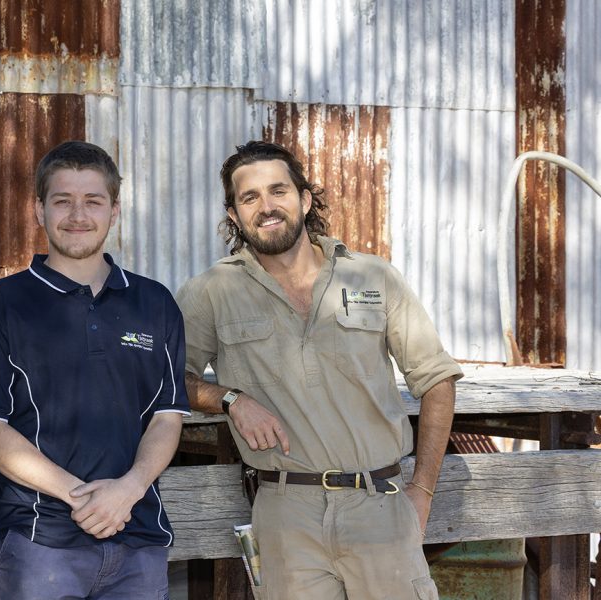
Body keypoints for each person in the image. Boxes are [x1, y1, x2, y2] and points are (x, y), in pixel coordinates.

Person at [176, 141, 462, 599]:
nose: (267, 207)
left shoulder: (373, 277)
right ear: (234, 214)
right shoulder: (212, 291)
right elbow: (169, 379)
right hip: (286, 512)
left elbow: (437, 380)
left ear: (305, 199)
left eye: (278, 191)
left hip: (380, 504)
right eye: (250, 198)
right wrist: (230, 400)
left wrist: (422, 492)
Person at [0, 141, 188, 599]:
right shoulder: (3, 304)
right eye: (62, 201)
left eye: (93, 201)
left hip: (138, 537)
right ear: (38, 209)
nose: (77, 215)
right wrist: (83, 497)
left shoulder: (155, 303)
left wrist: (127, 491)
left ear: (115, 210)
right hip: (38, 542)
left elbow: (167, 416)